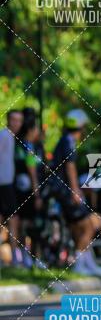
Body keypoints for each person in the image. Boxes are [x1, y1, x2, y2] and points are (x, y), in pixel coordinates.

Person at [47, 109, 101, 276]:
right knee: (90, 224)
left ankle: (88, 264)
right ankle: (79, 263)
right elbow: (70, 166)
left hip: (60, 191)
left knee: (78, 227)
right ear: (81, 126)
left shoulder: (64, 140)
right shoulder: (69, 141)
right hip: (66, 191)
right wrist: (75, 190)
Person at [13, 112, 44, 267]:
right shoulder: (28, 146)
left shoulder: (19, 144)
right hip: (27, 192)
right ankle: (28, 257)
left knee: (22, 224)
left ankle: (25, 256)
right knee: (27, 224)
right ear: (32, 129)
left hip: (19, 189)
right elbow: (32, 171)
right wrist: (37, 194)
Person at [0, 109, 23, 265]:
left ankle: (13, 256)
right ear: (8, 120)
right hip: (3, 184)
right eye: (14, 119)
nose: (16, 123)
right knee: (13, 219)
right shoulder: (4, 135)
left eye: (19, 120)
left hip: (6, 184)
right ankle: (15, 257)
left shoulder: (10, 137)